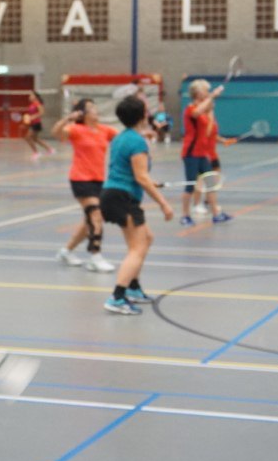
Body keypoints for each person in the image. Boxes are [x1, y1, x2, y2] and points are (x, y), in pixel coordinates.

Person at [99, 96, 174, 315]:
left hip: (114, 193)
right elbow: (141, 177)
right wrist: (163, 203)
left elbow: (130, 172)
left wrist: (151, 182)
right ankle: (117, 297)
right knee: (137, 248)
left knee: (146, 238)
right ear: (142, 116)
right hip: (122, 197)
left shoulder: (121, 138)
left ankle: (133, 288)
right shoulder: (137, 142)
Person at [52, 99, 116, 272]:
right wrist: (68, 118)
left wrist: (143, 134)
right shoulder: (75, 129)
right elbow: (56, 133)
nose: (95, 110)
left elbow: (122, 139)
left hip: (99, 180)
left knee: (90, 220)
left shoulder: (104, 130)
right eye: (91, 108)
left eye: (95, 107)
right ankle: (95, 256)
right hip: (80, 179)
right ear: (83, 114)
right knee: (95, 215)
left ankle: (66, 251)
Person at [179, 79, 231, 226]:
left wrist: (212, 100)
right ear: (197, 93)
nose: (208, 92)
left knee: (210, 184)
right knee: (190, 186)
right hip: (191, 153)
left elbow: (209, 128)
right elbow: (196, 112)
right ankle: (185, 216)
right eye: (205, 90)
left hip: (202, 154)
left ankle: (216, 214)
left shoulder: (204, 112)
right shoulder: (190, 109)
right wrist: (212, 96)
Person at [22, 90, 54, 161]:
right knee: (35, 139)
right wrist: (26, 122)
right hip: (32, 123)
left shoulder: (37, 103)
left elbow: (42, 112)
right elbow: (30, 115)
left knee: (27, 137)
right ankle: (50, 149)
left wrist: (33, 117)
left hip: (36, 123)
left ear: (35, 96)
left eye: (31, 95)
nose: (29, 97)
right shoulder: (32, 104)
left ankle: (36, 153)